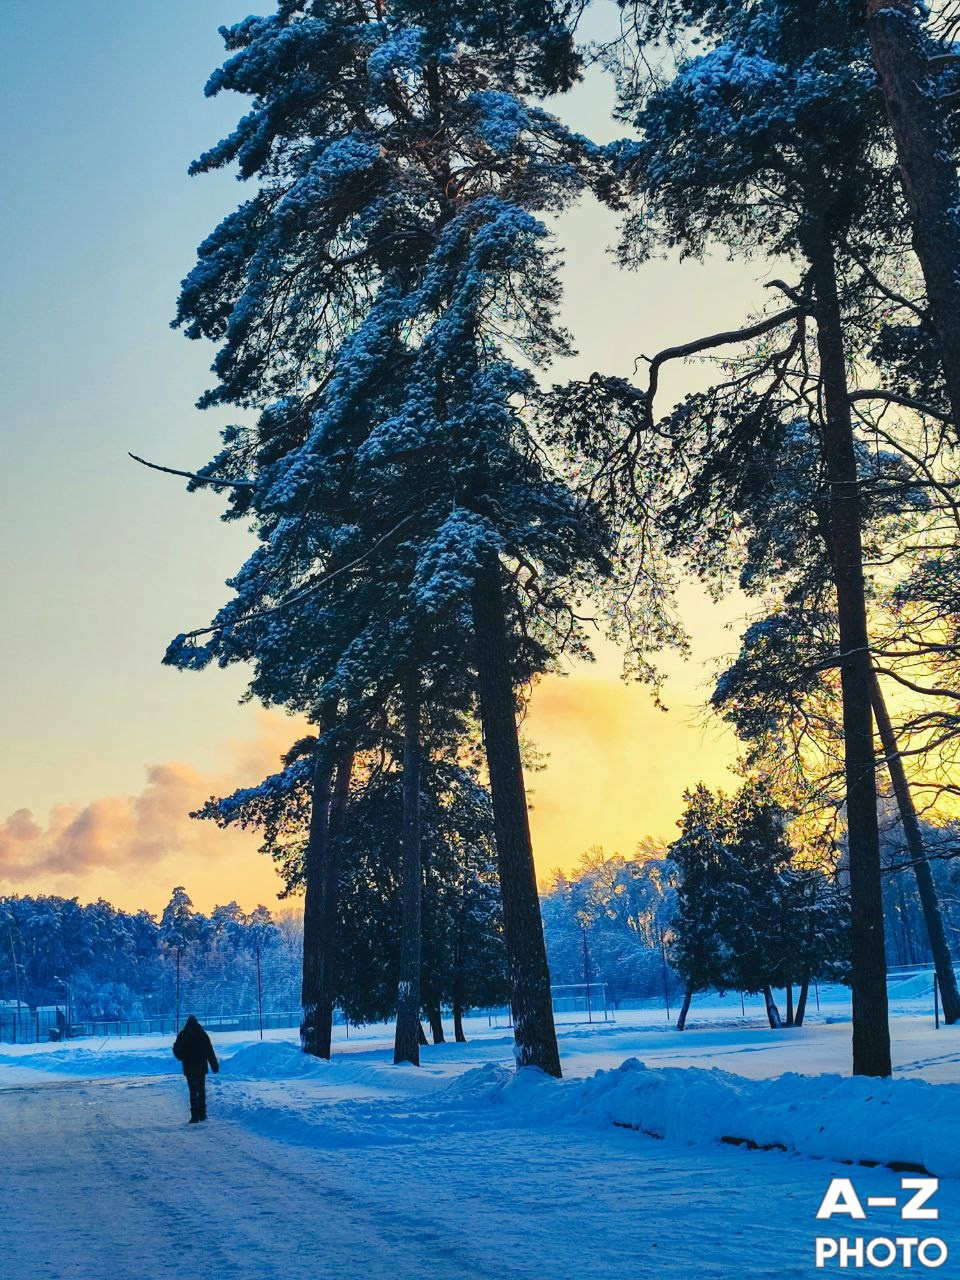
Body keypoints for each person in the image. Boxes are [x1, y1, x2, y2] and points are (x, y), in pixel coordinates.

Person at [172, 1015, 219, 1124]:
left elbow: (176, 1049)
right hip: (201, 1066)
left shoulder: (183, 1034)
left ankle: (194, 1116)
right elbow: (209, 1050)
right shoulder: (202, 1034)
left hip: (189, 1067)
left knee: (193, 1091)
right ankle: (202, 1114)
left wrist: (182, 1057)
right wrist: (214, 1065)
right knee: (201, 1090)